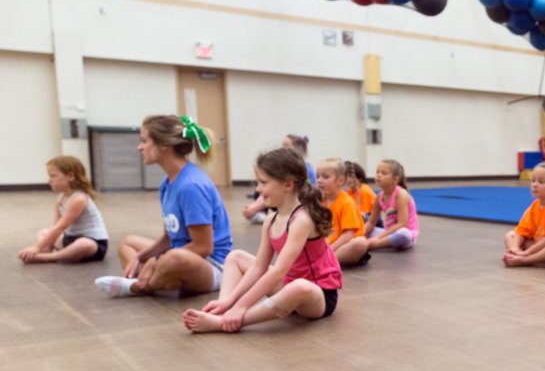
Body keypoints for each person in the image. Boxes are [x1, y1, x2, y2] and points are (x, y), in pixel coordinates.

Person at [183, 147, 342, 333]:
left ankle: (228, 322)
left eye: (263, 182)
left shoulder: (302, 220)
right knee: (235, 257)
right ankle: (223, 307)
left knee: (300, 286)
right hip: (288, 284)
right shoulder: (270, 219)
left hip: (317, 295)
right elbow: (259, 267)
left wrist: (242, 306)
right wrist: (231, 300)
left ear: (288, 185)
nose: (258, 189)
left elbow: (279, 270)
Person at [95, 114, 232, 297]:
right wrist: (141, 257)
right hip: (179, 252)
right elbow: (169, 238)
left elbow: (204, 247)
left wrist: (157, 260)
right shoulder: (167, 183)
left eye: (144, 141)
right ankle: (154, 278)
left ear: (164, 145)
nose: (140, 147)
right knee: (128, 244)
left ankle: (137, 286)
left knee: (175, 259)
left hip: (211, 265)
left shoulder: (191, 186)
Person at [18, 156, 108, 264]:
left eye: (53, 176)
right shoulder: (60, 198)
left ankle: (48, 257)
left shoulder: (79, 198)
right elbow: (55, 226)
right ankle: (50, 251)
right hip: (69, 239)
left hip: (94, 243)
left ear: (70, 176)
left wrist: (36, 248)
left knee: (84, 244)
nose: (49, 180)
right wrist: (46, 243)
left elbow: (61, 227)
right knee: (43, 232)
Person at [243, 134, 316, 224]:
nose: (282, 148)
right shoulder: (270, 220)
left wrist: (253, 208)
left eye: (285, 146)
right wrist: (253, 207)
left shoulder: (301, 222)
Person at [318, 157, 370, 266]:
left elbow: (349, 234)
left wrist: (330, 249)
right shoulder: (320, 202)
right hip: (326, 246)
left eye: (325, 177)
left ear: (340, 180)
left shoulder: (346, 203)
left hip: (343, 246)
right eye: (318, 176)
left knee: (360, 243)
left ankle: (325, 261)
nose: (319, 180)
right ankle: (324, 260)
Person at [365, 159, 419, 251]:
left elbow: (402, 224)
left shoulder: (401, 195)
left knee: (404, 234)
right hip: (388, 233)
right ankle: (370, 242)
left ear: (395, 179)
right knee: (366, 229)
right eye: (377, 172)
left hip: (405, 234)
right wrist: (359, 234)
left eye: (384, 173)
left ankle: (369, 245)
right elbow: (371, 222)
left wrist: (378, 238)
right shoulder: (379, 197)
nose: (378, 175)